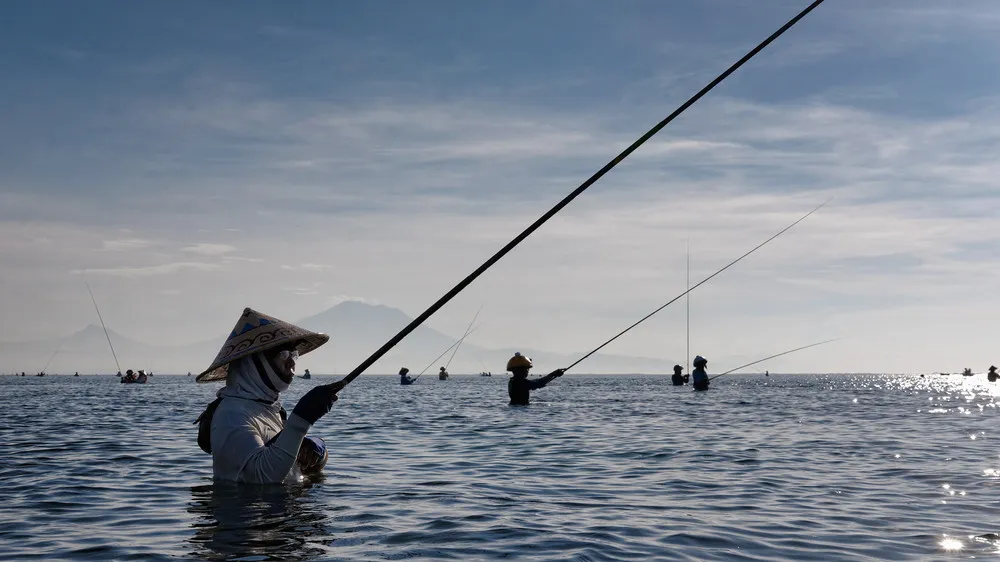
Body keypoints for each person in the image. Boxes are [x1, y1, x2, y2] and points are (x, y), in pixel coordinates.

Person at [194, 307, 339, 484]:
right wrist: (300, 421)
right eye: (284, 354)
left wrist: (317, 451)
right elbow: (261, 476)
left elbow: (289, 463)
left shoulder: (270, 410)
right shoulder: (231, 415)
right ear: (253, 362)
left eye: (294, 354)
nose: (292, 361)